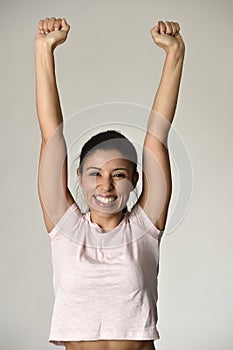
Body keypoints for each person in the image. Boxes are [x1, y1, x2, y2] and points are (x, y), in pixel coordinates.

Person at [35, 17, 185, 350]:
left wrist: (175, 54)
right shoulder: (64, 228)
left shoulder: (144, 229)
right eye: (95, 173)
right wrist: (44, 49)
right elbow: (51, 137)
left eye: (118, 174)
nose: (106, 186)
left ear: (134, 180)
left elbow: (156, 137)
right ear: (79, 178)